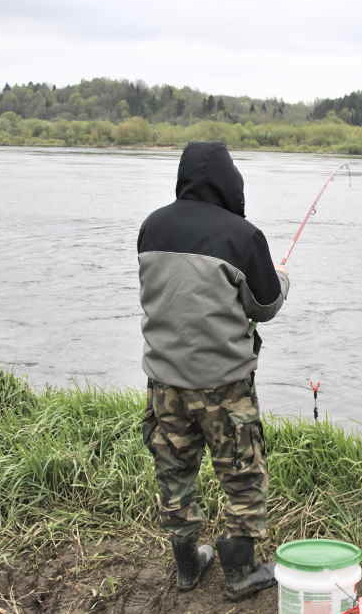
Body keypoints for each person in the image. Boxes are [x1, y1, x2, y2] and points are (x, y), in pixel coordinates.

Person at [137, 141, 288, 600]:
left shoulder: (151, 227)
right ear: (230, 181)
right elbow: (264, 306)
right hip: (224, 385)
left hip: (165, 382)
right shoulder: (242, 236)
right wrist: (281, 277)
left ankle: (188, 564)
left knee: (174, 471)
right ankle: (240, 571)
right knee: (242, 472)